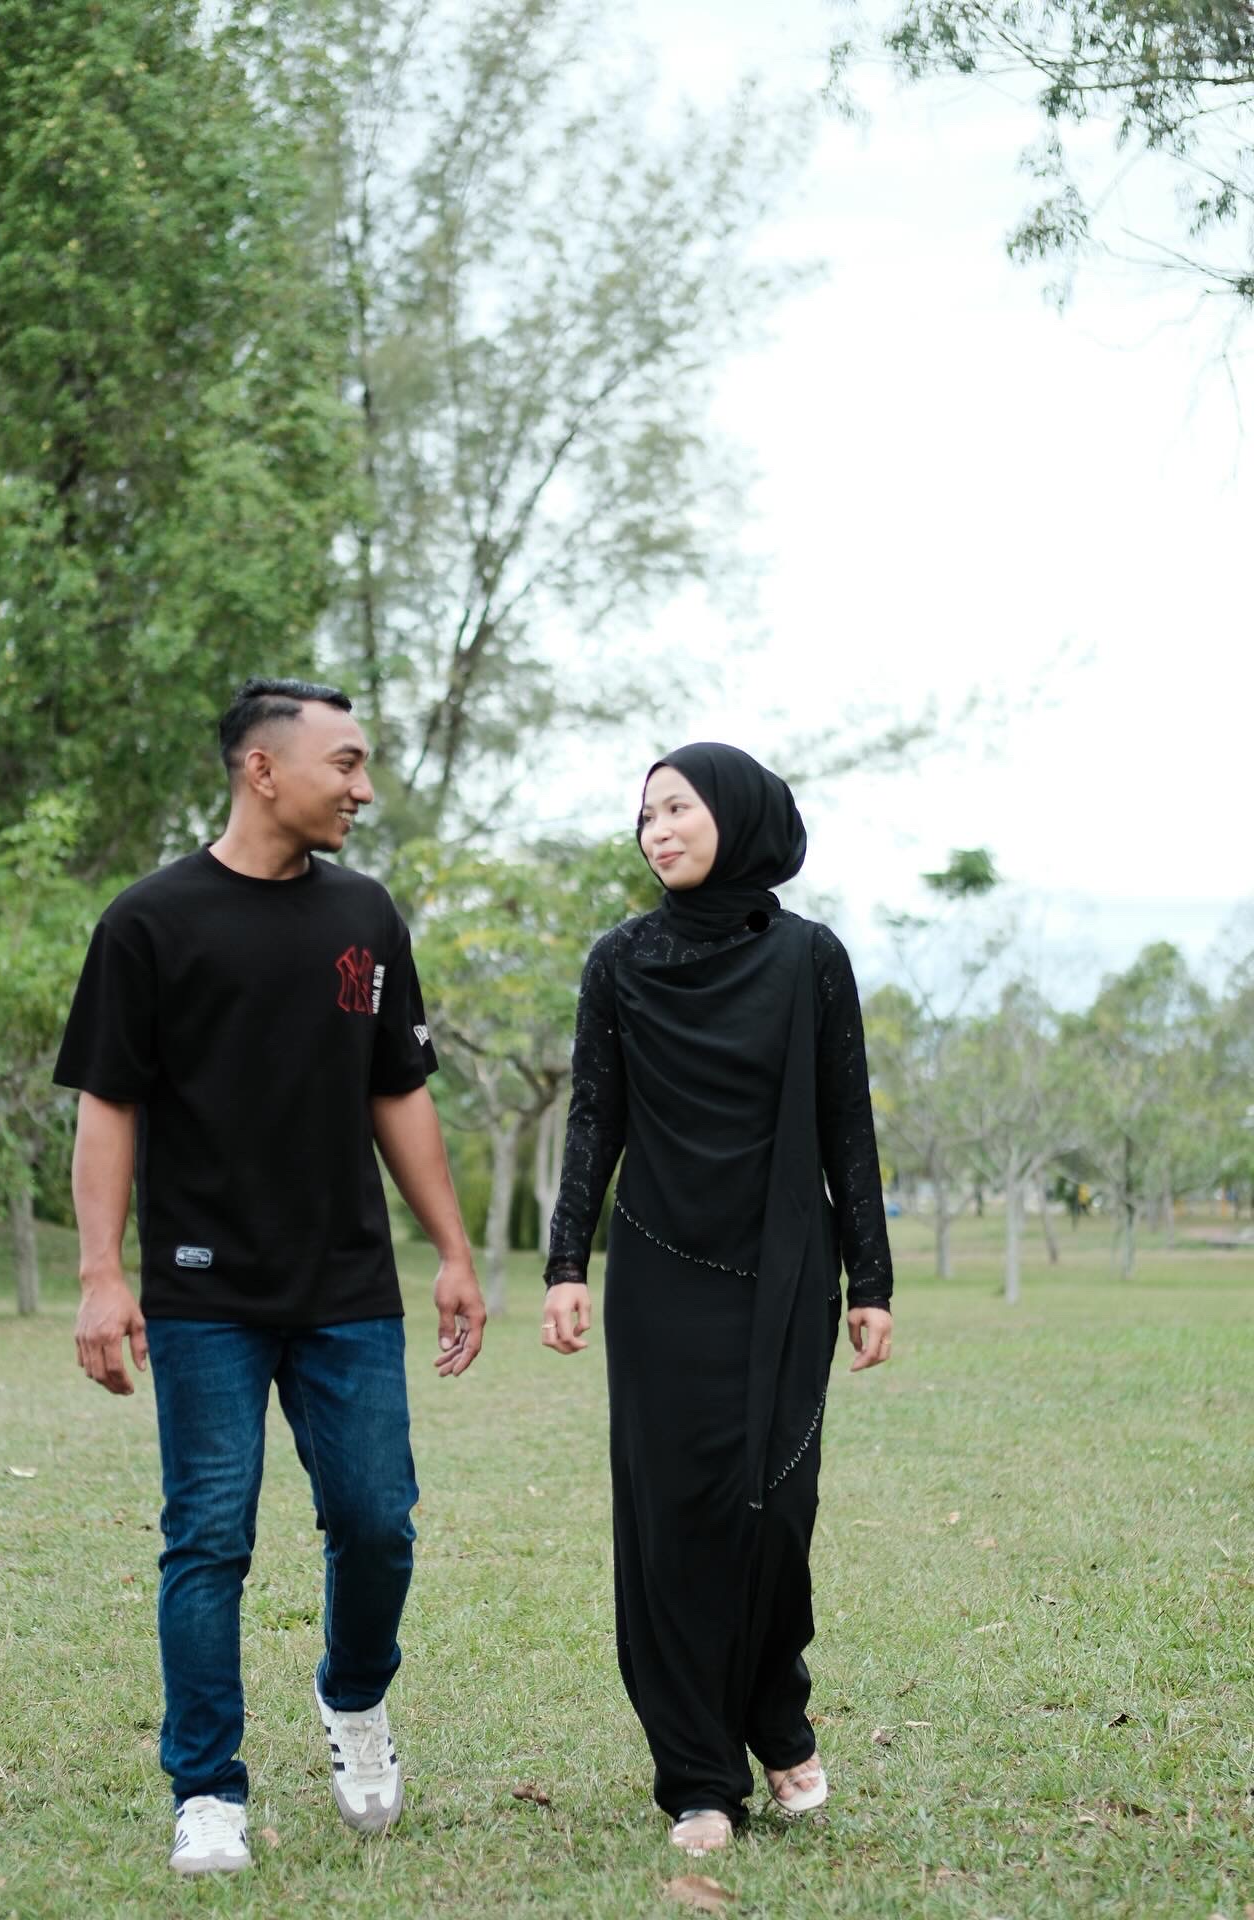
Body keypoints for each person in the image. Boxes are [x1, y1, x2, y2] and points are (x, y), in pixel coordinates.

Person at [54, 677, 486, 1876]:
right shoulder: (148, 921)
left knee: (377, 1522)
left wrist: (453, 1251)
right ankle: (207, 1790)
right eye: (344, 763)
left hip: (348, 1284)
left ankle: (354, 1696)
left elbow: (397, 1091)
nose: (363, 788)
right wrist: (101, 1274)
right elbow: (108, 1104)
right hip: (204, 1292)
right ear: (262, 769)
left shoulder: (365, 914)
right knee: (207, 1537)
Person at [541, 743, 893, 1855]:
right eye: (646, 815)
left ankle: (776, 1717)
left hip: (788, 1271)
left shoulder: (810, 958)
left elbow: (847, 1123)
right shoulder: (620, 960)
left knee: (777, 1513)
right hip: (660, 1273)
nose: (657, 830)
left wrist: (873, 1281)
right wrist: (565, 1265)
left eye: (677, 808)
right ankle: (699, 1776)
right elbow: (595, 1118)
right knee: (674, 1522)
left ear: (737, 817)